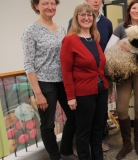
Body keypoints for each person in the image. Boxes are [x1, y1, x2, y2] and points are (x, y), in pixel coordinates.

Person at [22, 0, 77, 160]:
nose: (50, 7)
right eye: (45, 3)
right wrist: (38, 93)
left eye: (53, 3)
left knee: (73, 117)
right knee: (48, 124)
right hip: (44, 83)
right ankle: (55, 157)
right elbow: (29, 65)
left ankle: (65, 150)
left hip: (63, 81)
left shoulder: (61, 29)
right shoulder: (30, 31)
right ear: (36, 6)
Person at [104, 0, 138, 159]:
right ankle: (126, 144)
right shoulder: (121, 27)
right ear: (129, 10)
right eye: (134, 8)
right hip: (124, 72)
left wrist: (131, 48)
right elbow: (108, 48)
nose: (137, 10)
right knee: (121, 109)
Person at [60, 2, 109, 160]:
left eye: (89, 15)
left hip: (101, 91)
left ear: (93, 18)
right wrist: (70, 97)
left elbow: (99, 64)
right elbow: (66, 71)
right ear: (76, 17)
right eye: (82, 14)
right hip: (83, 94)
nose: (86, 18)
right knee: (83, 133)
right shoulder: (69, 40)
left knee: (97, 130)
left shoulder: (95, 38)